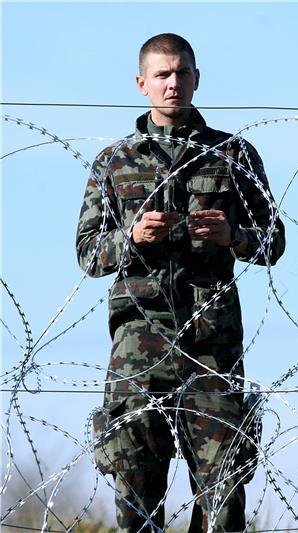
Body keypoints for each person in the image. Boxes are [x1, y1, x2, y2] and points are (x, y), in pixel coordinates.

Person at [76, 33, 285, 532]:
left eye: (182, 73)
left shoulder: (232, 154)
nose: (173, 84)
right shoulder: (114, 161)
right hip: (138, 349)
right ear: (142, 83)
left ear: (197, 78)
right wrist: (132, 236)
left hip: (211, 343)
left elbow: (273, 242)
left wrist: (232, 236)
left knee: (223, 498)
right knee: (137, 499)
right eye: (163, 75)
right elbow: (87, 253)